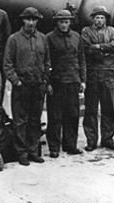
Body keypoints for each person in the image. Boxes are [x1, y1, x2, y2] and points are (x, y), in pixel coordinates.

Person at [3, 7, 51, 166]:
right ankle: (21, 152)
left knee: (35, 120)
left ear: (37, 21)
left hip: (38, 86)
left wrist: (44, 79)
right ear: (23, 20)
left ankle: (33, 151)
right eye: (28, 19)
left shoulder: (42, 39)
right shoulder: (14, 39)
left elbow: (47, 62)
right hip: (21, 86)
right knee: (20, 120)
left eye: (34, 19)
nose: (31, 22)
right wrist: (17, 81)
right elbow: (8, 64)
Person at [46, 9, 86, 158]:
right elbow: (46, 62)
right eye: (61, 22)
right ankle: (54, 147)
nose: (64, 25)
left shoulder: (77, 37)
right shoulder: (49, 38)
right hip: (57, 83)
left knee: (72, 115)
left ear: (70, 22)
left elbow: (81, 59)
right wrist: (48, 82)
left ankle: (70, 145)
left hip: (73, 82)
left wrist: (83, 80)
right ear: (57, 23)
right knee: (55, 116)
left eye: (66, 22)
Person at [81, 6, 114, 151]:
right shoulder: (86, 31)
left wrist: (98, 46)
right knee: (91, 108)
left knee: (108, 107)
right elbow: (86, 49)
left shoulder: (111, 31)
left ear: (105, 19)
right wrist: (106, 49)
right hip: (92, 73)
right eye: (97, 17)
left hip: (108, 73)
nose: (99, 20)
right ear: (93, 19)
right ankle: (91, 140)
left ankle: (107, 139)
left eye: (102, 17)